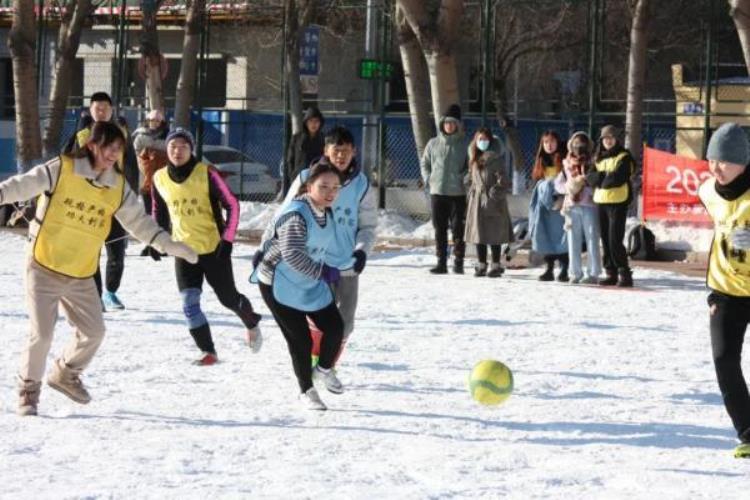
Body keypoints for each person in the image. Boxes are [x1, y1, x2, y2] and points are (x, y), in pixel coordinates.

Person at [0, 121, 197, 416]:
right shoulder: (62, 168)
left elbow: (139, 222)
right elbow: (23, 183)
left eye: (118, 150)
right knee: (42, 333)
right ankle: (28, 391)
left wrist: (168, 245)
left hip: (80, 273)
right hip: (44, 265)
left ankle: (65, 373)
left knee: (94, 332)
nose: (114, 155)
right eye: (109, 148)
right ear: (93, 145)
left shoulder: (116, 186)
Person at [151, 128, 262, 365]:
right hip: (183, 251)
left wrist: (228, 239)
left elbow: (232, 205)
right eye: (173, 147)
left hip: (214, 249)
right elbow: (158, 212)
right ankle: (208, 351)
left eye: (183, 146)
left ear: (191, 149)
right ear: (166, 149)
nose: (177, 151)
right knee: (189, 303)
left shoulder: (207, 174)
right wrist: (155, 240)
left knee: (229, 299)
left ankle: (251, 322)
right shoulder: (158, 178)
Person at [253, 159, 346, 410]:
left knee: (335, 327)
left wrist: (346, 262)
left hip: (308, 280)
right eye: (324, 186)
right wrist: (322, 272)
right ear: (308, 187)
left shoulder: (325, 211)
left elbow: (324, 246)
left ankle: (324, 369)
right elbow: (292, 254)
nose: (330, 193)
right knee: (301, 341)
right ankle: (306, 390)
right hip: (278, 283)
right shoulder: (296, 214)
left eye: (335, 187)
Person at [280, 126, 377, 366]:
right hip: (314, 264)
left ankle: (328, 366)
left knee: (345, 322)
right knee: (316, 316)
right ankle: (314, 363)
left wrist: (361, 252)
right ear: (326, 150)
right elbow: (284, 215)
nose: (341, 156)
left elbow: (368, 226)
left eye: (346, 151)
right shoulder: (307, 178)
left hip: (345, 265)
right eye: (336, 150)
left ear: (354, 151)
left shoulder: (361, 184)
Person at [697, 122, 750, 459]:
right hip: (726, 289)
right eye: (712, 160)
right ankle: (747, 431)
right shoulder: (707, 190)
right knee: (723, 359)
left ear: (744, 161)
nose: (716, 168)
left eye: (725, 161)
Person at [66, 92, 139, 310]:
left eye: (105, 108)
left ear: (111, 111)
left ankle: (111, 292)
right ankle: (95, 296)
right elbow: (67, 165)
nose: (101, 112)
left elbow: (132, 167)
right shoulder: (82, 135)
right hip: (90, 204)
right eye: (97, 108)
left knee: (117, 252)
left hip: (116, 201)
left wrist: (131, 195)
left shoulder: (123, 134)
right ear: (90, 111)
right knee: (91, 252)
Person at [421, 104, 468, 274]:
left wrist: (464, 178)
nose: (449, 126)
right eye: (446, 123)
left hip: (458, 193)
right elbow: (424, 163)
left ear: (457, 125)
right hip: (437, 192)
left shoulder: (464, 145)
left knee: (458, 228)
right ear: (442, 124)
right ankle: (441, 262)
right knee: (439, 228)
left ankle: (459, 261)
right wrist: (428, 178)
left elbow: (470, 166)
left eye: (452, 123)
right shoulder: (433, 143)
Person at [586, 125, 636, 287]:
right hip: (601, 201)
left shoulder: (624, 157)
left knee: (615, 239)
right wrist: (602, 177)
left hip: (618, 202)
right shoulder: (598, 157)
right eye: (605, 138)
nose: (608, 141)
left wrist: (602, 179)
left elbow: (618, 178)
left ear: (616, 140)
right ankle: (611, 272)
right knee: (606, 240)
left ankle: (624, 272)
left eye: (611, 138)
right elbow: (590, 176)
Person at [463, 127, 513, 278]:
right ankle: (481, 264)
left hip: (493, 201)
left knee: (494, 234)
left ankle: (496, 264)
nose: (482, 142)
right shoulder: (474, 159)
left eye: (485, 139)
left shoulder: (496, 159)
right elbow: (472, 179)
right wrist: (469, 183)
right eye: (480, 139)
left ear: (490, 141)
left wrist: (494, 194)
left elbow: (504, 180)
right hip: (477, 200)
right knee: (479, 234)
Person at [554, 132, 602, 284]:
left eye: (582, 146)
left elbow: (597, 182)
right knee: (572, 240)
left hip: (590, 204)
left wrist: (586, 184)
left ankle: (593, 273)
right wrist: (570, 187)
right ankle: (575, 273)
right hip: (572, 206)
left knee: (592, 238)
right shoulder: (566, 164)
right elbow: (558, 185)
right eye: (575, 145)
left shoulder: (594, 162)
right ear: (570, 146)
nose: (579, 149)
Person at [528, 130, 568, 281]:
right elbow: (536, 182)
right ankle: (549, 268)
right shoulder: (541, 160)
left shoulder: (564, 160)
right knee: (546, 236)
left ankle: (564, 268)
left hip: (560, 205)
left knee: (562, 237)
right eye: (545, 142)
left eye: (552, 142)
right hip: (544, 207)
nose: (549, 145)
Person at [282, 106, 325, 197]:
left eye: (316, 121)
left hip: (317, 180)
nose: (313, 124)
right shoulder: (297, 138)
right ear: (306, 122)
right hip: (298, 179)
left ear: (320, 123)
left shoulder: (324, 140)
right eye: (311, 121)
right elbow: (290, 159)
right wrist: (292, 176)